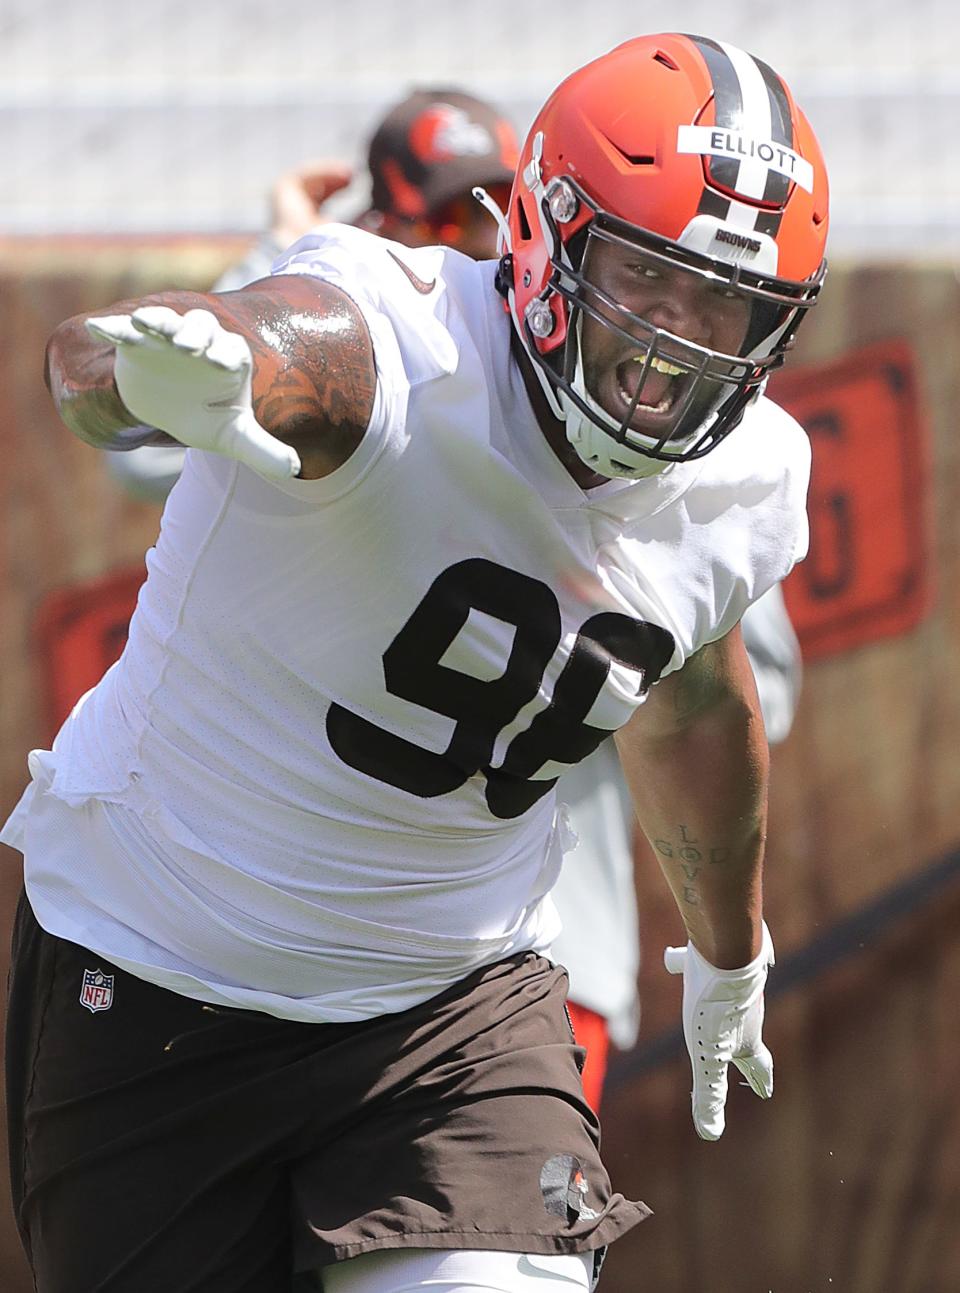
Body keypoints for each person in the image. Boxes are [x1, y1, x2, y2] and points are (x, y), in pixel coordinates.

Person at [4, 32, 828, 1293]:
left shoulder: (748, 475)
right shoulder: (392, 340)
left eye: (727, 308)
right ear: (547, 233)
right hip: (162, 968)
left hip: (458, 1012)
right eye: (649, 285)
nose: (677, 349)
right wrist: (151, 372)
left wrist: (731, 952)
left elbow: (693, 703)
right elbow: (122, 364)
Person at [106, 87, 805, 1112]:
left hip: (532, 950)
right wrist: (278, 271)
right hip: (254, 944)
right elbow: (152, 429)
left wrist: (565, 676)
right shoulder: (377, 341)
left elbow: (739, 691)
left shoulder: (710, 466)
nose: (468, 238)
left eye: (481, 208)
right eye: (437, 219)